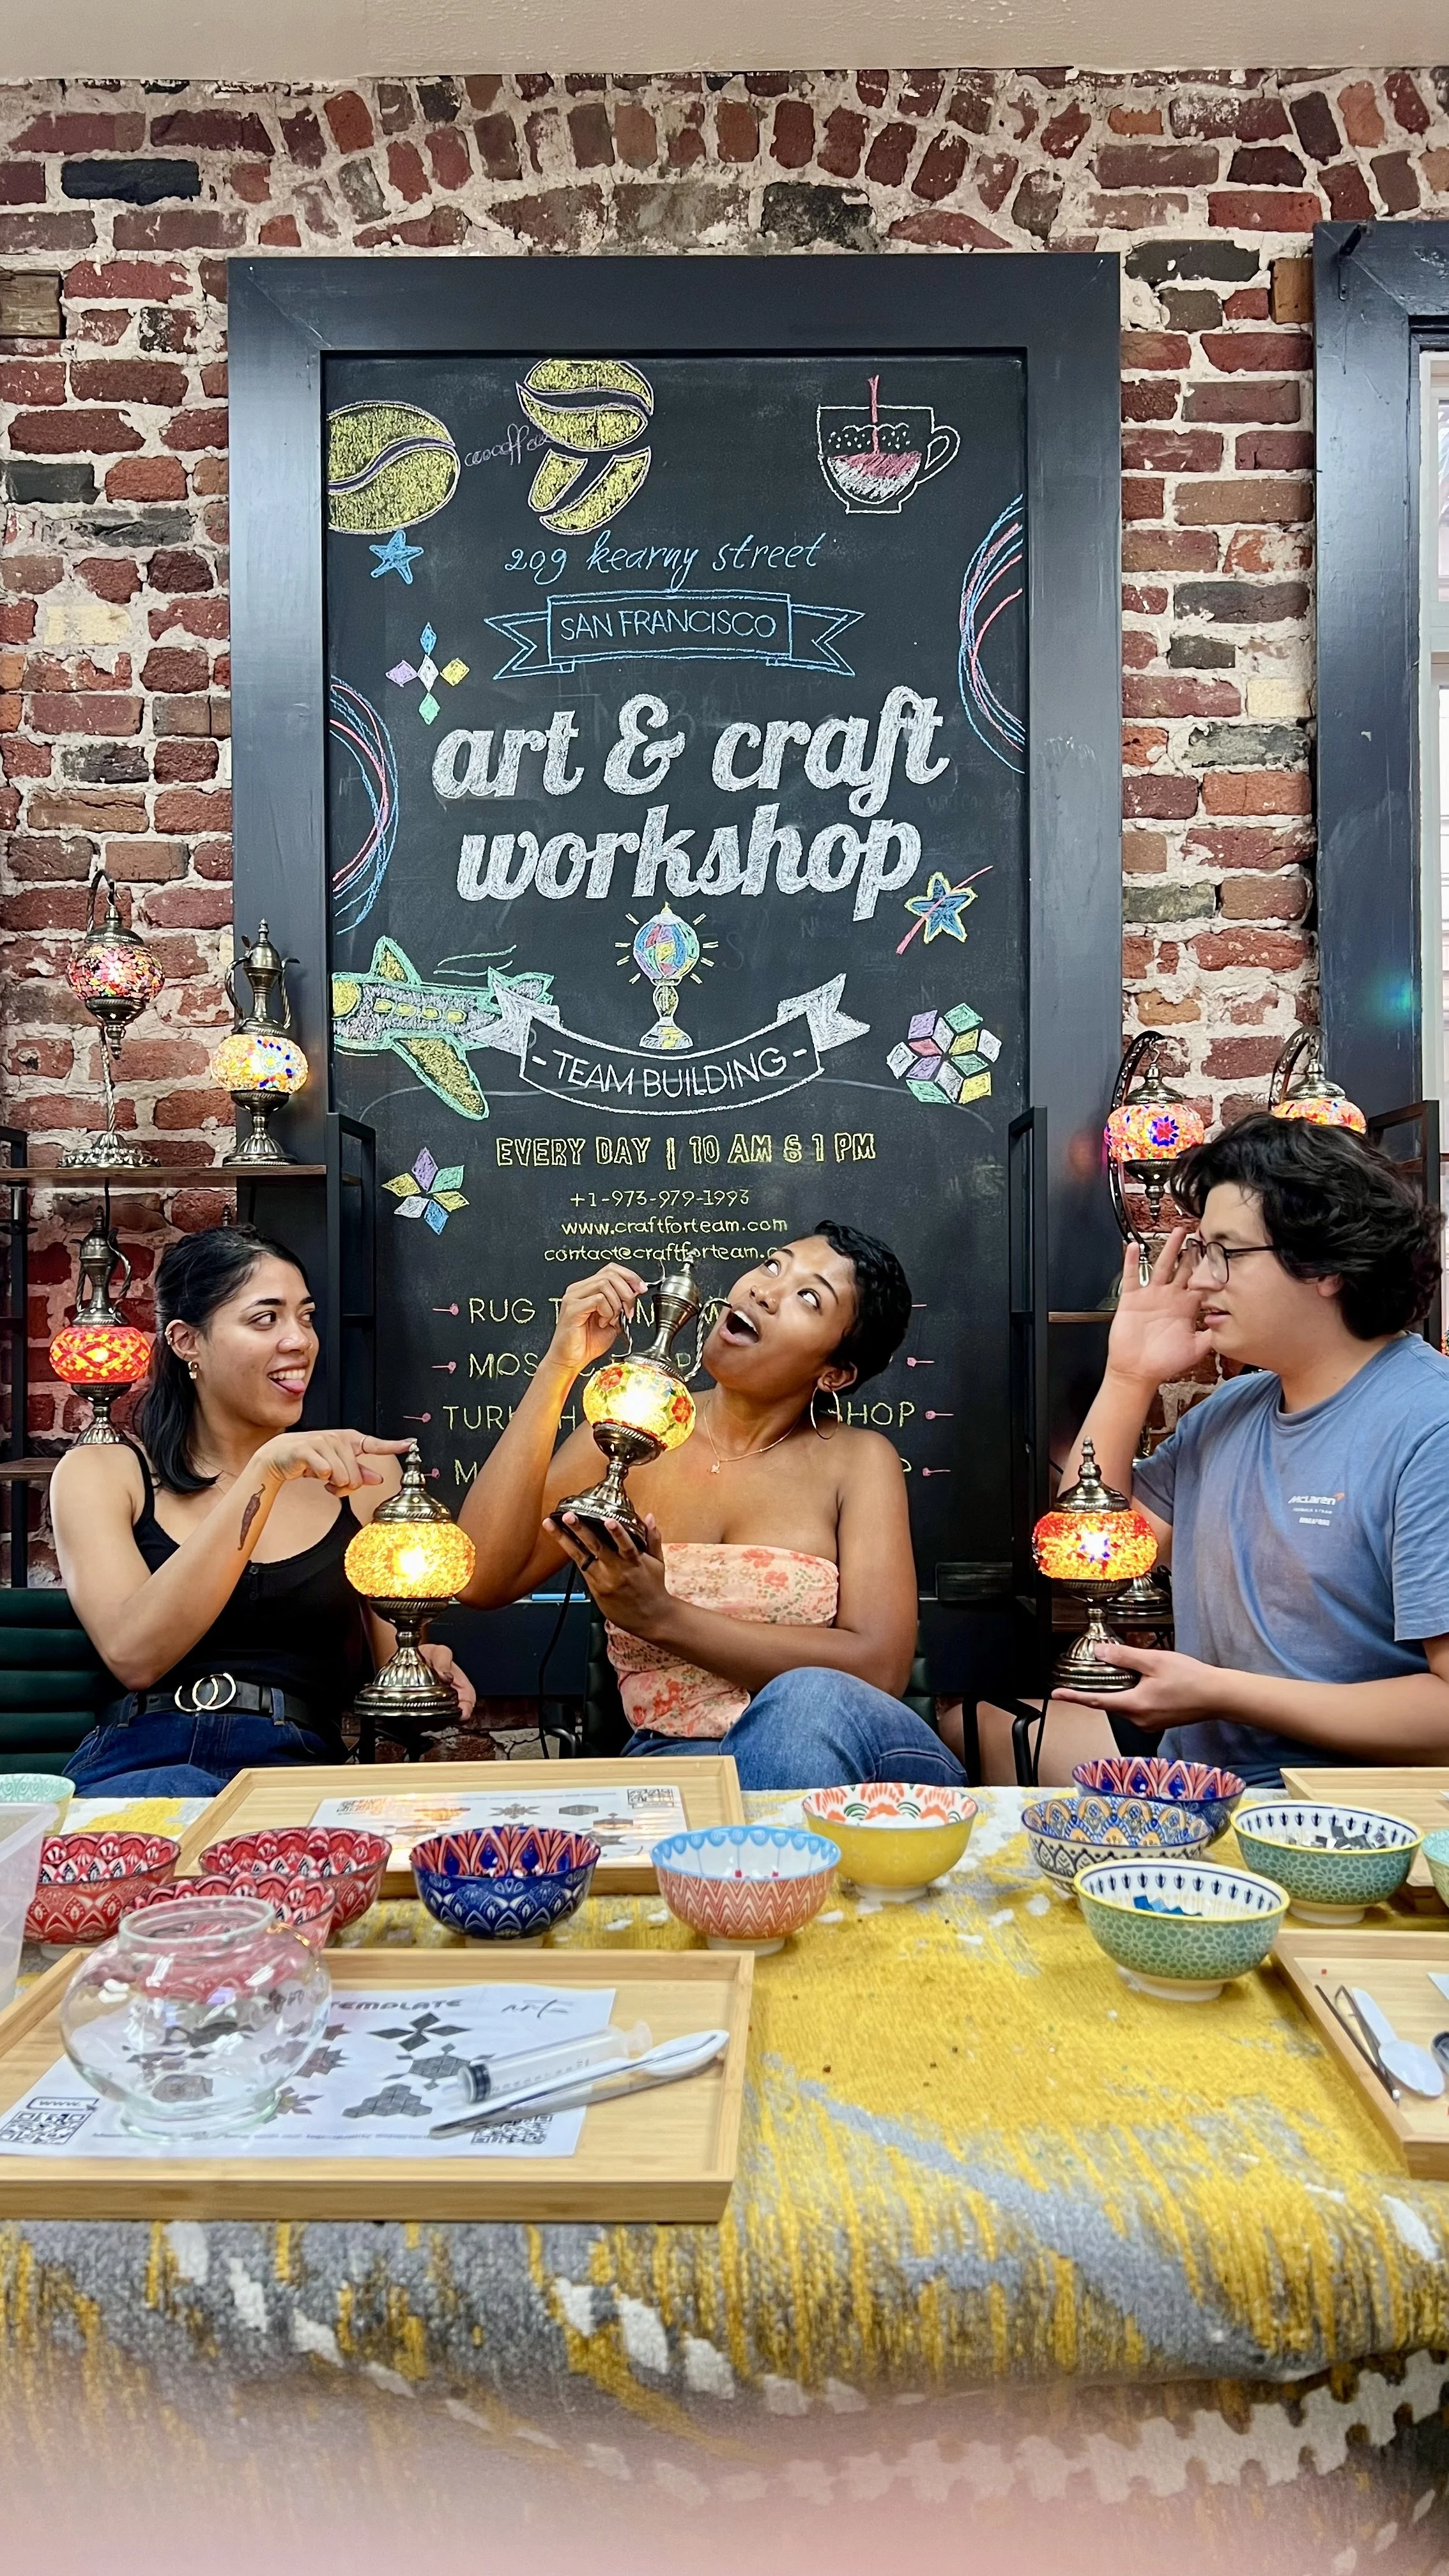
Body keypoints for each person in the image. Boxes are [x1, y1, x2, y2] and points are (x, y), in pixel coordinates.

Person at [457, 1222, 967, 1791]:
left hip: (861, 1760)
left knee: (804, 1697)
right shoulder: (630, 1426)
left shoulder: (859, 1461)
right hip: (676, 1764)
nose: (764, 1290)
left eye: (808, 1296)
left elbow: (881, 1667)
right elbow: (478, 1579)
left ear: (835, 1373)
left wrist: (663, 1617)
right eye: (773, 1265)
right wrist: (559, 1367)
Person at [1054, 1112, 1449, 1786]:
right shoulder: (1230, 1412)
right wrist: (1128, 1377)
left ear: (1322, 1262)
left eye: (1224, 1253)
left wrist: (1219, 1691)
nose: (1201, 1280)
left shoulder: (1428, 1426)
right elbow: (1088, 1549)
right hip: (1207, 1789)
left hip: (1351, 1815)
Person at [52, 1224, 474, 1798]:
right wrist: (265, 1474)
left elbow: (389, 1665)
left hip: (292, 1765)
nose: (299, 1339)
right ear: (186, 1342)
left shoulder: (368, 1482)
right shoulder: (102, 1472)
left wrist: (424, 1661)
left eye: (306, 1315)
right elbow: (135, 1655)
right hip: (134, 1761)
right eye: (265, 1318)